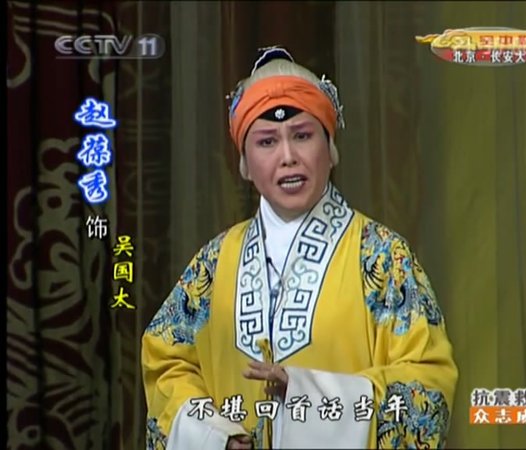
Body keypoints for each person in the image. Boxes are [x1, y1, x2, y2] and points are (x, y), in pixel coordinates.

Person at [142, 46, 458, 450]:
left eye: (303, 136)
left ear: (330, 147)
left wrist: (307, 395)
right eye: (267, 142)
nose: (288, 157)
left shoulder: (381, 257)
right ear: (244, 163)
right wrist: (215, 438)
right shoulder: (213, 264)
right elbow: (165, 363)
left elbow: (427, 386)